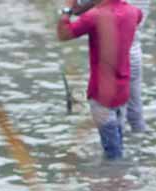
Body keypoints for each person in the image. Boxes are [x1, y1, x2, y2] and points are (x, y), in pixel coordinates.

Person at [57, 0, 143, 160]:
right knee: (118, 144)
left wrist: (67, 9)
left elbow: (63, 34)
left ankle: (114, 180)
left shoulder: (94, 16)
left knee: (112, 154)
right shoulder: (134, 12)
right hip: (123, 91)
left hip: (101, 94)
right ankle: (123, 179)